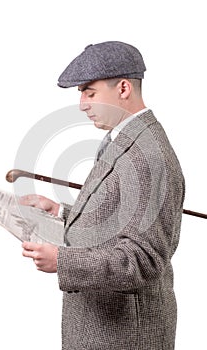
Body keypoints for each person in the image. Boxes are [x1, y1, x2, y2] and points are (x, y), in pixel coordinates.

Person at [21, 41, 185, 349]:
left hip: (123, 336)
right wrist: (61, 212)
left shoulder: (148, 154)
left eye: (89, 92)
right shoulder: (124, 138)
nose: (82, 104)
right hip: (102, 328)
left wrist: (63, 261)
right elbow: (119, 216)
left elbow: (142, 260)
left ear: (123, 88)